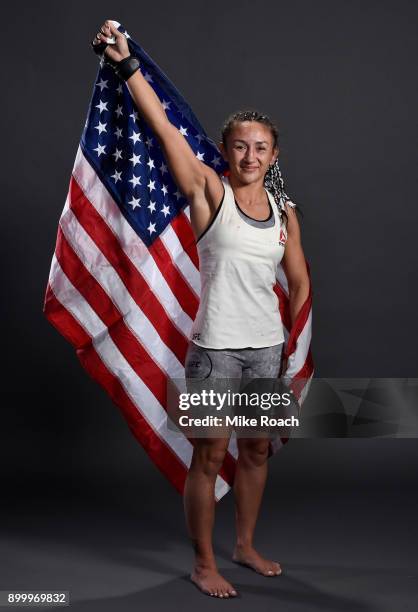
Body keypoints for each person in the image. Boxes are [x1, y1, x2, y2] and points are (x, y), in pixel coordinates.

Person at [92, 20, 310, 599]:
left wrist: (292, 338)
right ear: (226, 148)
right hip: (214, 349)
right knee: (210, 458)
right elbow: (163, 128)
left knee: (257, 449)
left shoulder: (285, 211)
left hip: (265, 348)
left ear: (274, 154)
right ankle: (204, 562)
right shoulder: (208, 192)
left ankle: (245, 545)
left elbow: (299, 279)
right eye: (240, 144)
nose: (250, 155)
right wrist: (127, 64)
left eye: (261, 147)